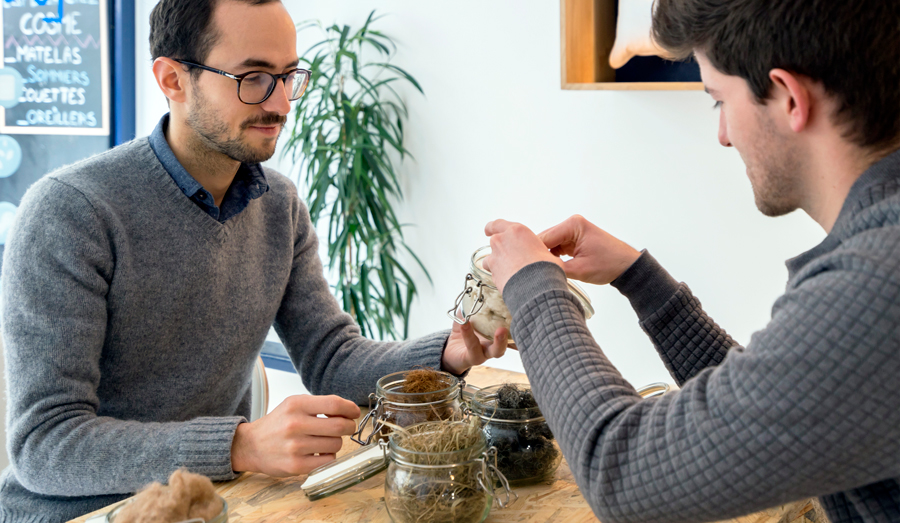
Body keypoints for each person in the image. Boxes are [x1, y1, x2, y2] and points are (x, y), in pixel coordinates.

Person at [0, 0, 507, 521]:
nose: (282, 104)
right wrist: (238, 446)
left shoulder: (278, 205)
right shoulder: (71, 212)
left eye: (289, 76)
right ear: (173, 79)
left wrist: (451, 350)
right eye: (254, 78)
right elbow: (46, 444)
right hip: (76, 512)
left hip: (208, 505)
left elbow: (332, 360)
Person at [482, 1, 900, 522]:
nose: (722, 134)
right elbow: (770, 408)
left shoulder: (874, 285)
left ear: (790, 97)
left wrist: (534, 287)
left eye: (718, 101)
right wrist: (639, 279)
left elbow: (623, 472)